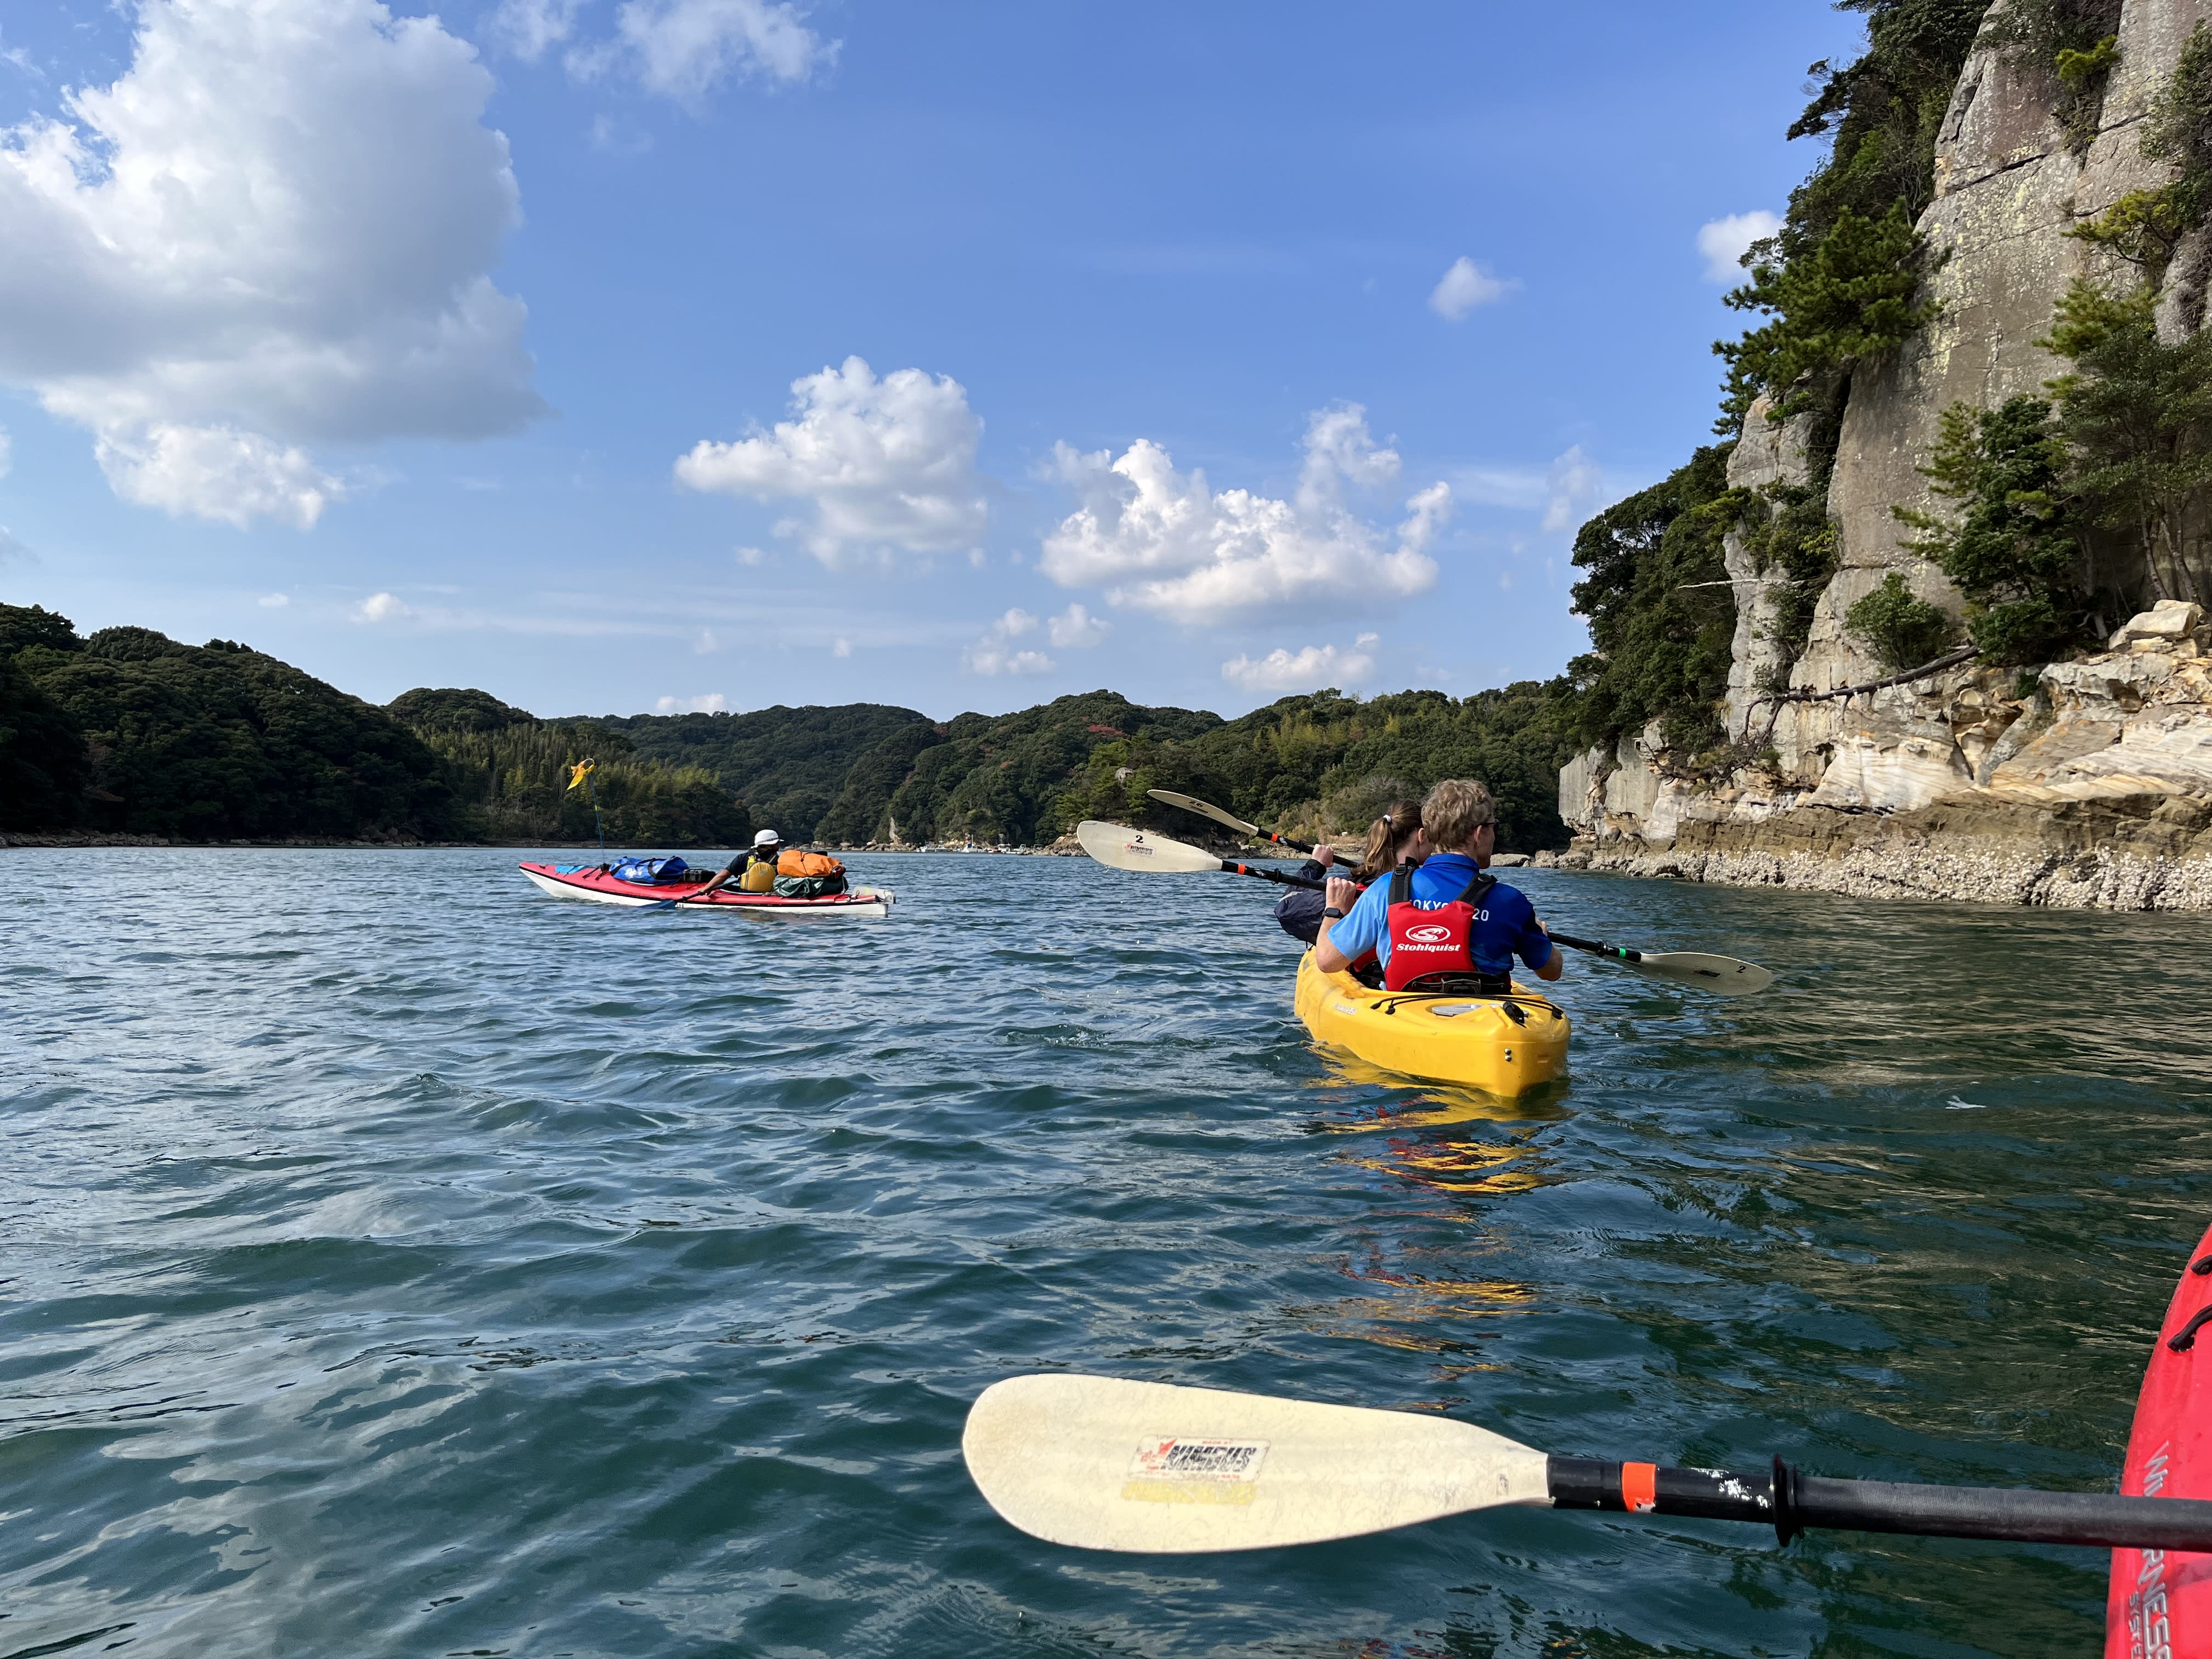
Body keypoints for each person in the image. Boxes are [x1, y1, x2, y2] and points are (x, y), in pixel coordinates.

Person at [1314, 780, 1561, 994]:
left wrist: (1334, 910)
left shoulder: (1386, 889)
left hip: (1408, 1019)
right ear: (1479, 833)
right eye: (1493, 826)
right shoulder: (1511, 902)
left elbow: (1327, 961)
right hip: (1486, 1026)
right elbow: (1552, 971)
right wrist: (1539, 936)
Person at [1273, 800, 1424, 946]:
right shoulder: (1430, 884)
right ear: (1421, 836)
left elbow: (1285, 911)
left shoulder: (1357, 885)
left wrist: (1315, 866)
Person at [690, 828, 784, 900]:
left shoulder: (743, 858)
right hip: (768, 897)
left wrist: (707, 888)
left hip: (745, 895)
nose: (779, 846)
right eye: (777, 843)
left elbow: (724, 875)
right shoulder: (781, 861)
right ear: (770, 845)